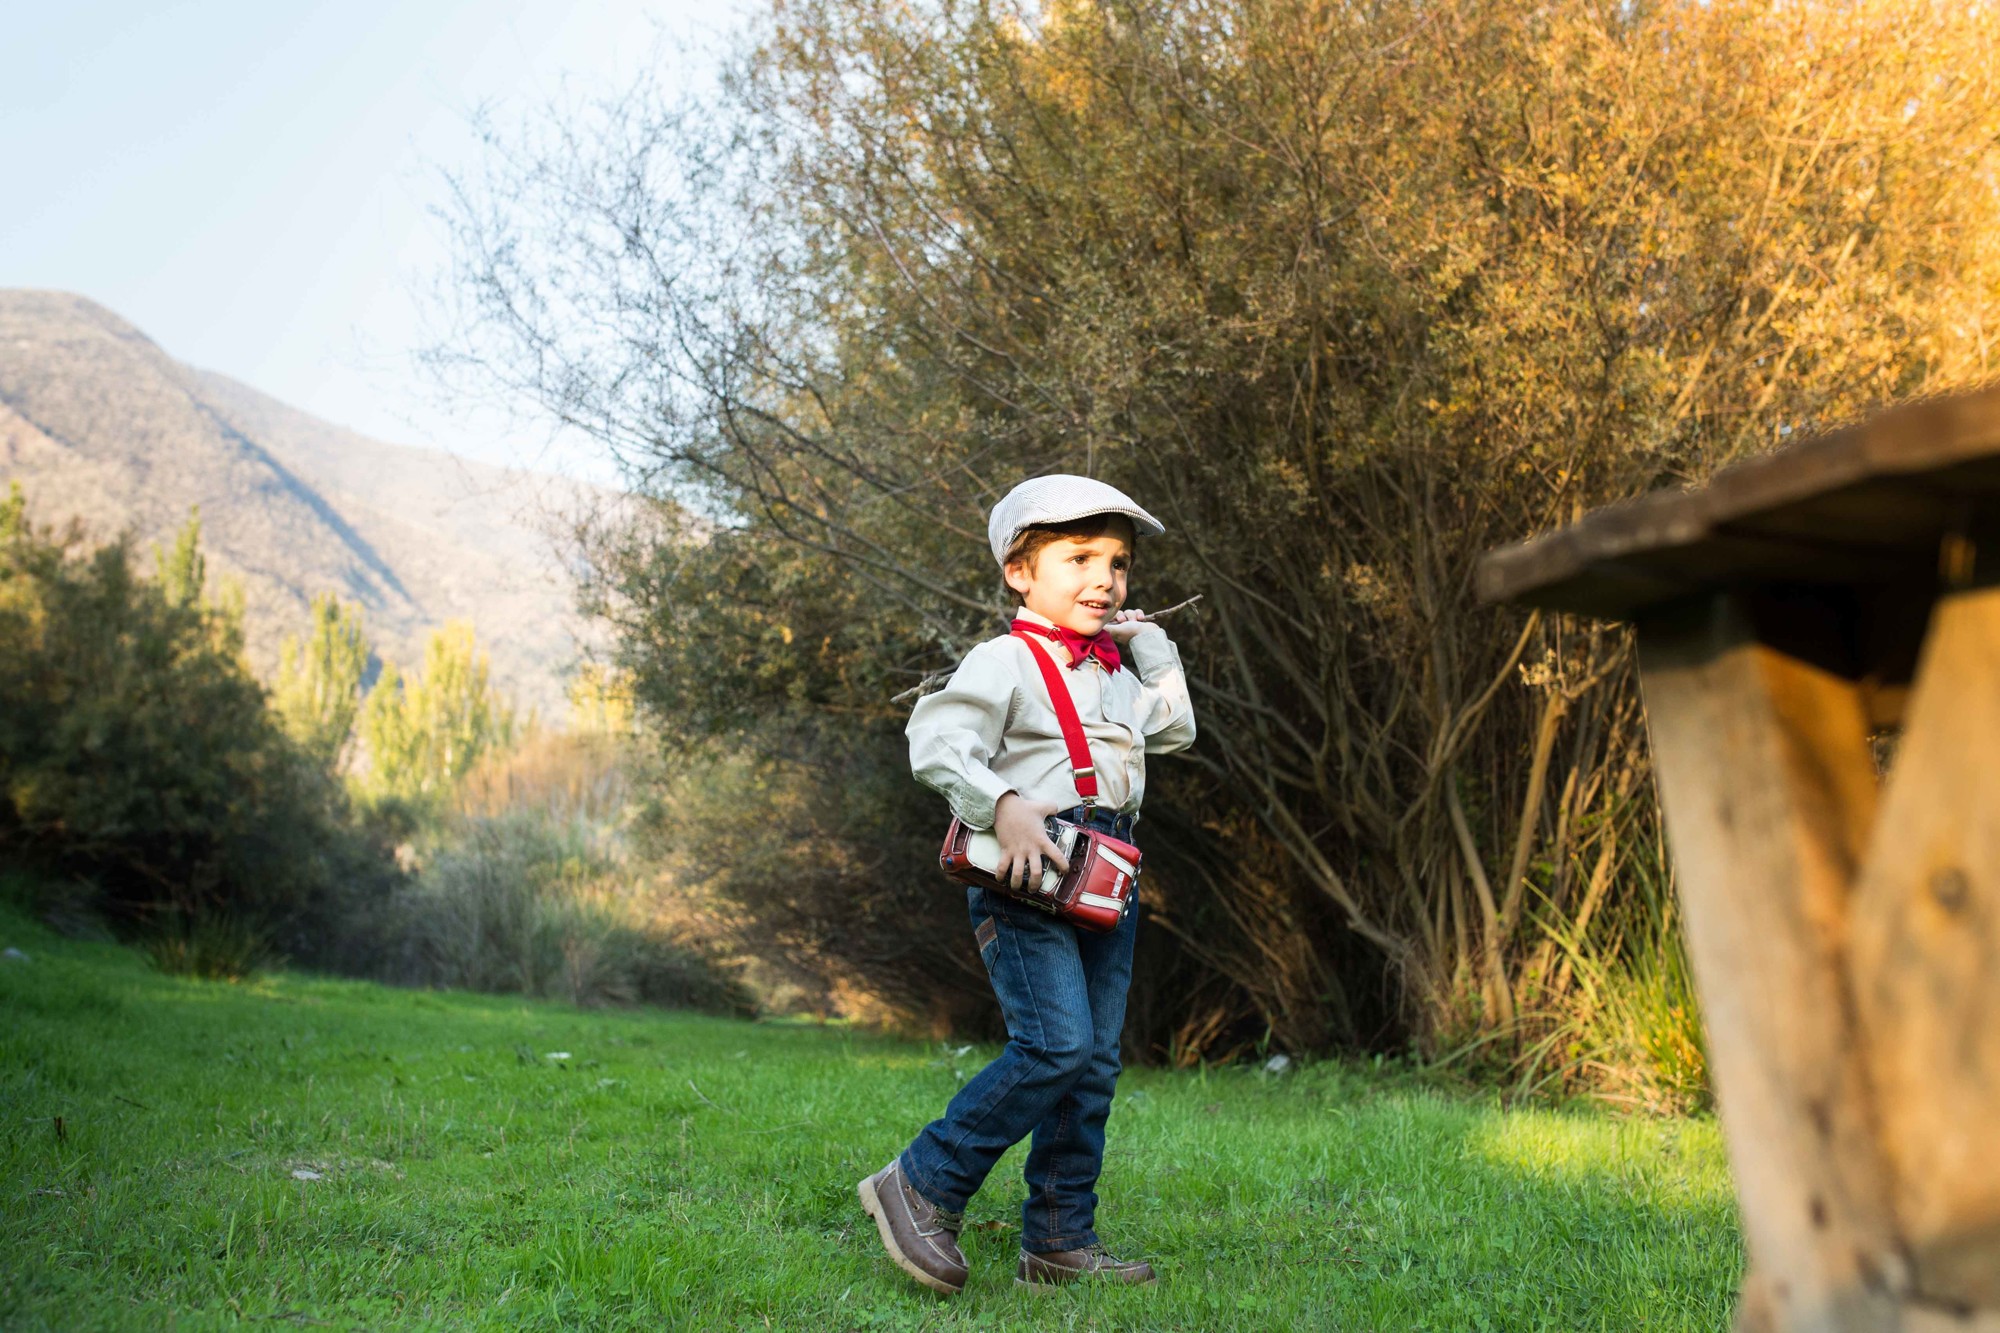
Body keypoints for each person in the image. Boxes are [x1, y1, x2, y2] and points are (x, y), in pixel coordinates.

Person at [857, 473, 1198, 1294]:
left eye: (1117, 563)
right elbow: (936, 739)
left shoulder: (1116, 672)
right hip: (1028, 875)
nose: (1103, 579)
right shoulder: (1006, 658)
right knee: (1054, 1045)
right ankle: (919, 1182)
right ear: (1020, 571)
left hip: (1107, 879)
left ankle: (1058, 1237)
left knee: (1091, 1067)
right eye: (1079, 557)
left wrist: (1150, 643)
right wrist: (1001, 803)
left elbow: (1175, 726)